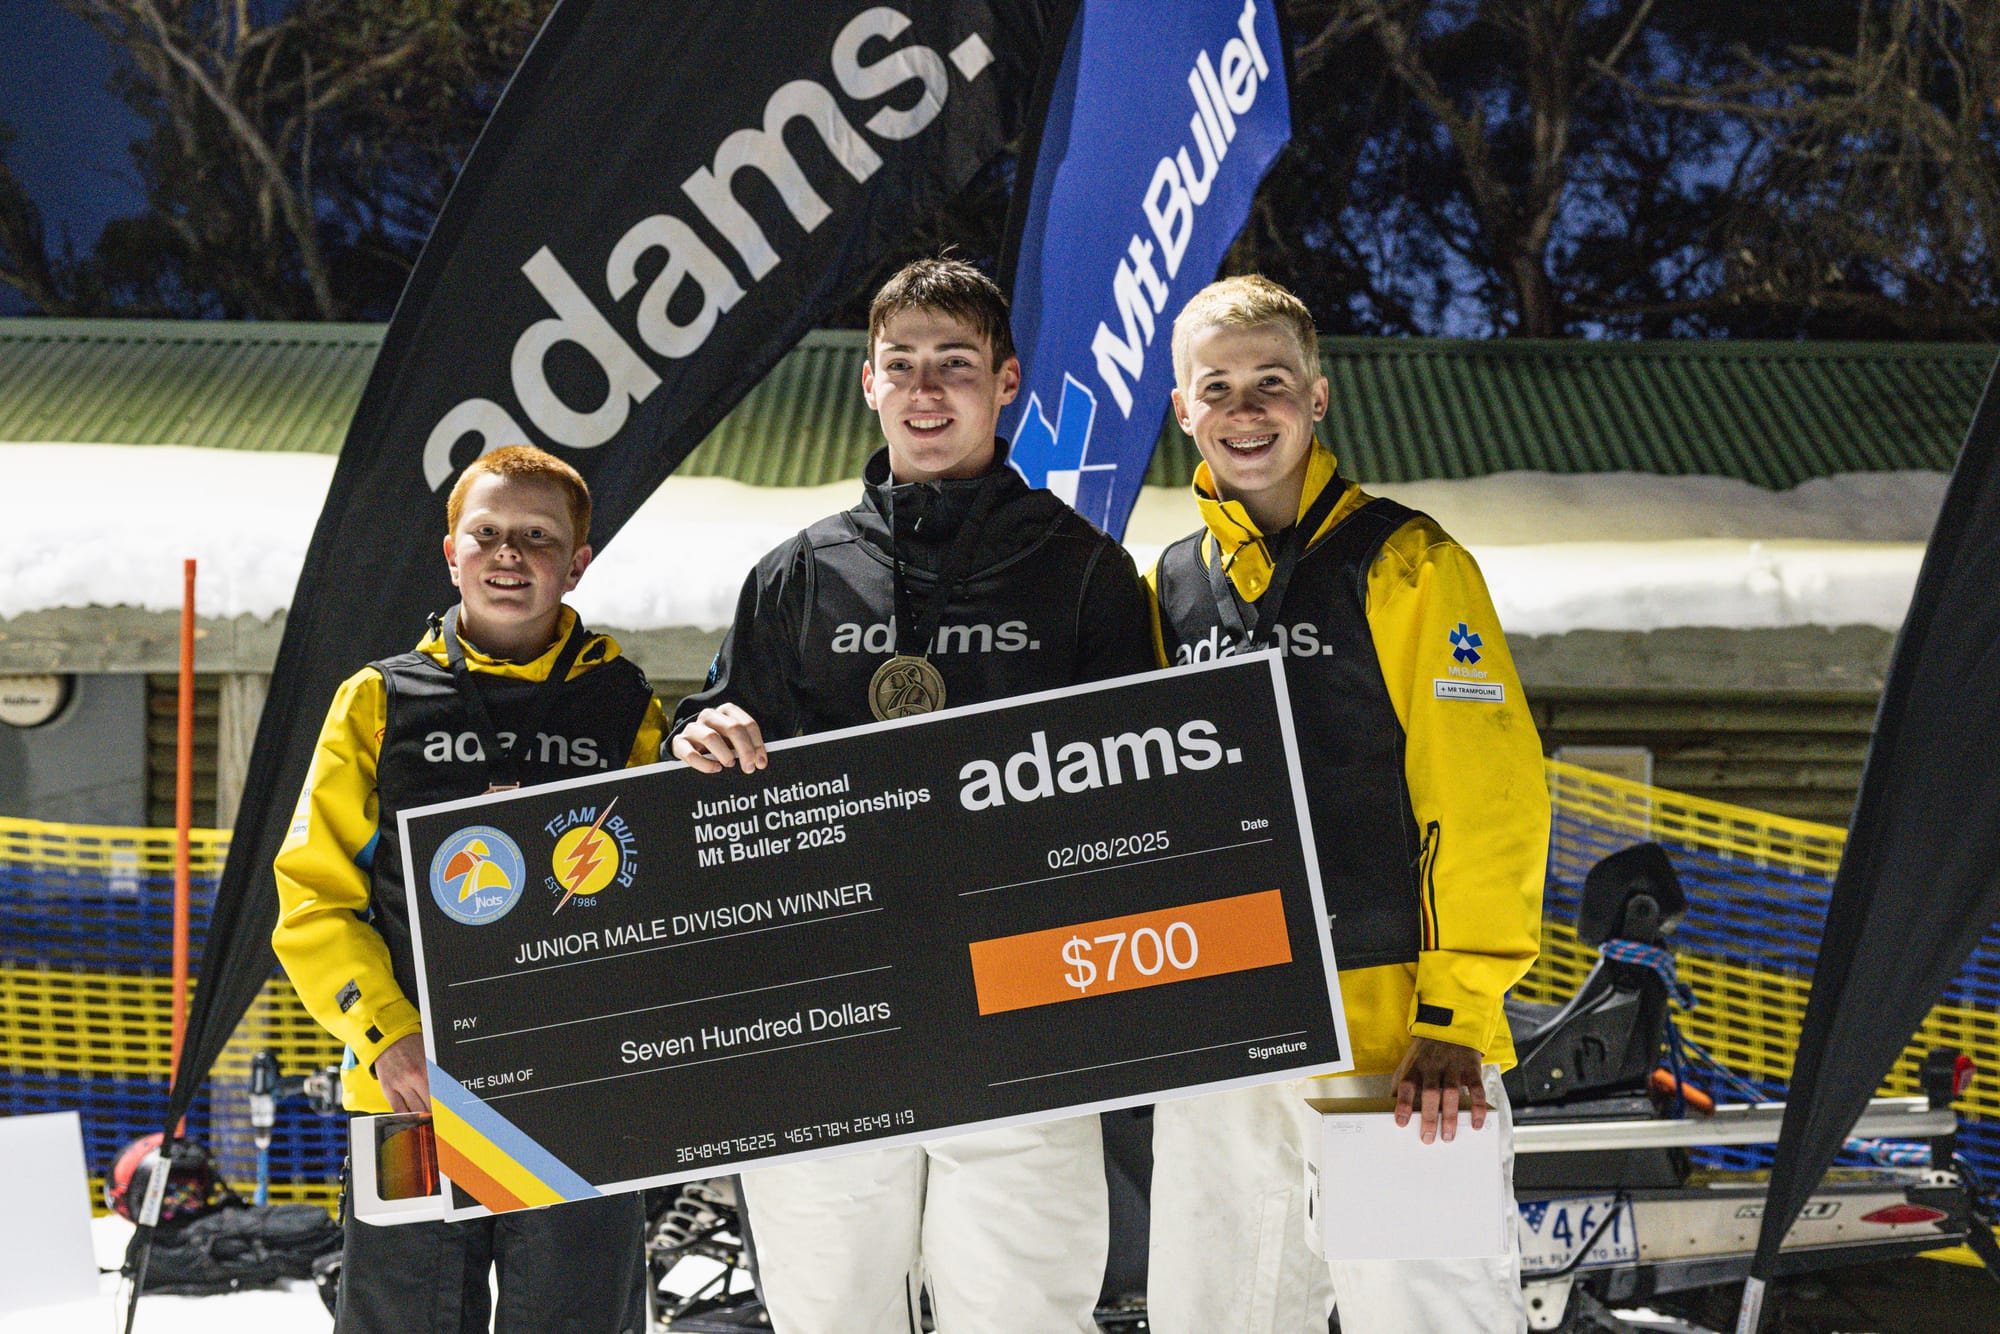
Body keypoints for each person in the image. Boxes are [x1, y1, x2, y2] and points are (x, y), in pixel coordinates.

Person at [670, 257, 1157, 1333]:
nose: (926, 390)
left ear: (1007, 381)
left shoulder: (1082, 574)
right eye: (902, 365)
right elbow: (720, 751)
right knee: (830, 1313)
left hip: (1025, 1011)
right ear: (867, 383)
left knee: (1021, 1314)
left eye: (954, 365)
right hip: (835, 1006)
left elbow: (1143, 796)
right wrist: (695, 739)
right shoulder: (798, 573)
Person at [1143, 275, 1549, 1334]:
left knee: (1423, 1311)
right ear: (1180, 409)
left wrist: (1455, 1013)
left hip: (1391, 1040)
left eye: (1270, 381)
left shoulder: (1406, 561)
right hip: (1224, 1028)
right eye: (1216, 385)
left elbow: (1488, 792)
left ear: (1315, 398)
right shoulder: (1171, 587)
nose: (1245, 407)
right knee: (1213, 1313)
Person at [272, 445, 666, 1334]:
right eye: (486, 533)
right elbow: (312, 900)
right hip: (413, 1090)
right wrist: (387, 1038)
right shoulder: (377, 702)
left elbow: (660, 907)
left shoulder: (625, 704)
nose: (509, 555)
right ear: (451, 553)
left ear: (579, 561)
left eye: (537, 537)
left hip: (575, 1095)